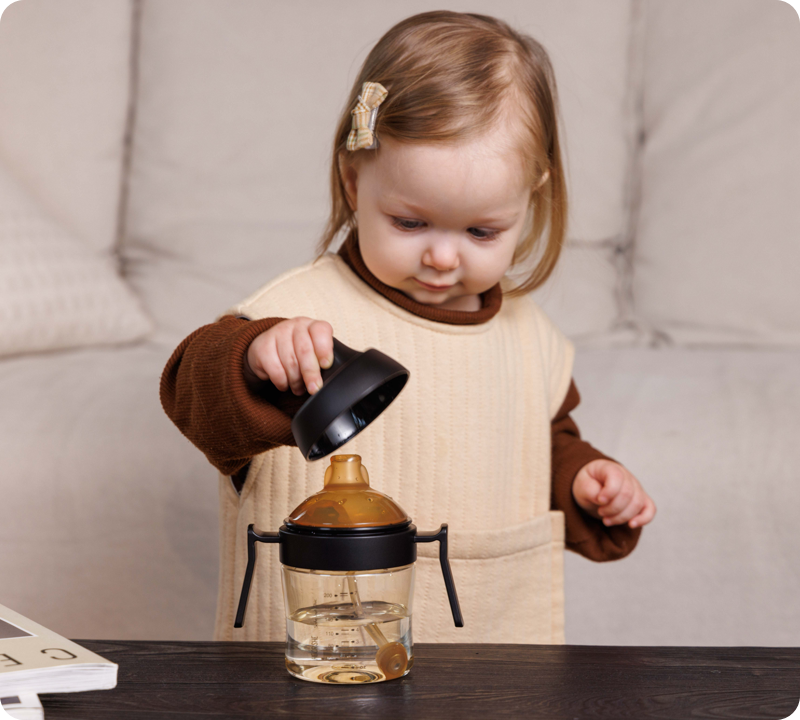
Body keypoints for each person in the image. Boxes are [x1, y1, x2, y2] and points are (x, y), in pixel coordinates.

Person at [161, 10, 656, 644]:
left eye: (482, 231)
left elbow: (541, 444)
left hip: (491, 658)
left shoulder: (534, 343)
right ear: (354, 180)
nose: (443, 257)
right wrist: (254, 356)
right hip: (317, 658)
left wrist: (585, 479)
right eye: (411, 223)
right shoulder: (293, 319)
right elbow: (192, 395)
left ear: (532, 200)